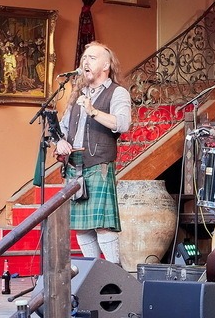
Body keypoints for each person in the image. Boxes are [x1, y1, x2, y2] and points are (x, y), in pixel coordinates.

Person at [55, 41, 132, 265]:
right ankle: (93, 275)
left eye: (92, 58)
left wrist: (94, 111)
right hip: (74, 166)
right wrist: (59, 142)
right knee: (81, 227)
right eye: (84, 57)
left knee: (101, 225)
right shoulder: (77, 94)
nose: (85, 61)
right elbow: (63, 129)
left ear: (106, 65)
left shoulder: (117, 93)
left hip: (98, 166)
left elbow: (123, 124)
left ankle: (115, 274)